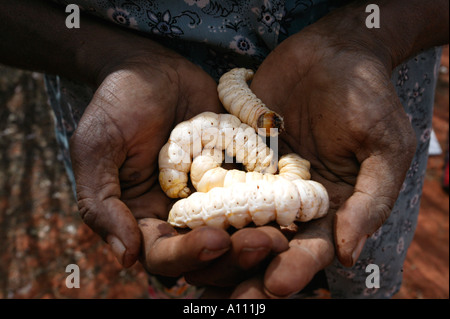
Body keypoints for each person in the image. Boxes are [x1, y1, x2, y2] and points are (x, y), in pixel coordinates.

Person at [0, 0, 447, 298]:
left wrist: (370, 35)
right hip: (140, 123)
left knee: (356, 259)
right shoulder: (201, 155)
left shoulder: (239, 156)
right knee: (191, 266)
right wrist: (102, 54)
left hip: (343, 127)